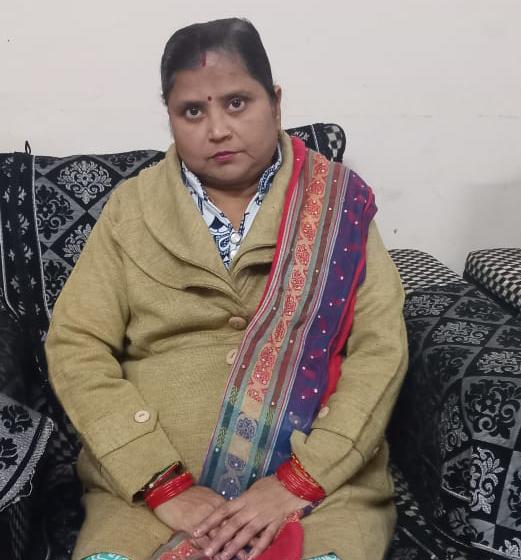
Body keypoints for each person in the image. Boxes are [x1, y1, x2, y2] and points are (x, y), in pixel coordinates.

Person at [45, 17, 408, 560]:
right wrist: (160, 482)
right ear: (170, 116)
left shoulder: (336, 206)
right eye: (193, 111)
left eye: (237, 103)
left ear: (275, 103)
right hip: (145, 502)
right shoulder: (131, 211)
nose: (217, 129)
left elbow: (380, 349)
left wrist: (301, 479)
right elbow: (76, 344)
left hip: (321, 493)